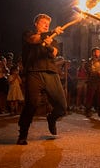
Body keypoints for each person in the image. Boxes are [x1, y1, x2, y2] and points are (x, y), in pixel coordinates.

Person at [17, 13, 67, 145]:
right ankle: (23, 134)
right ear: (36, 24)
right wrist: (48, 34)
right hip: (34, 72)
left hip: (51, 73)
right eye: (43, 23)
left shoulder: (52, 39)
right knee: (31, 104)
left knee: (62, 107)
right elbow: (34, 40)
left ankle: (51, 118)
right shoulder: (28, 34)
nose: (46, 25)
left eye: (48, 24)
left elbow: (55, 53)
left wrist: (48, 44)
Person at [85, 47, 100, 118]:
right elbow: (89, 71)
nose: (99, 53)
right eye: (97, 52)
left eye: (99, 52)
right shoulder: (89, 62)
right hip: (92, 82)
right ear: (93, 53)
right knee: (90, 97)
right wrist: (97, 73)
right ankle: (88, 111)